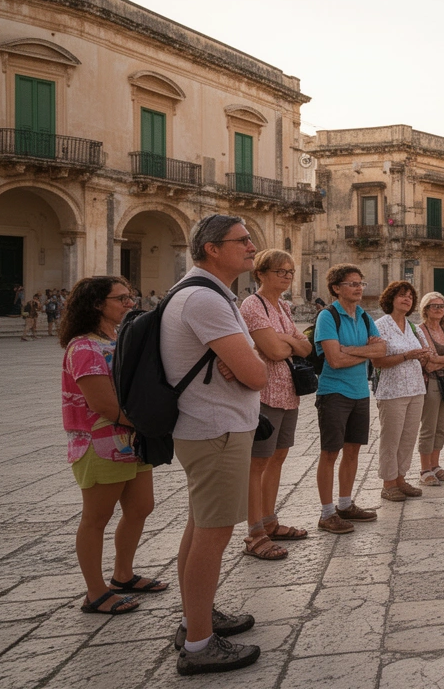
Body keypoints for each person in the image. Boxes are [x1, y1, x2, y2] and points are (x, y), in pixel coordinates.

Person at [161, 214, 267, 674]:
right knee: (214, 533)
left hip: (208, 426)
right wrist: (251, 360)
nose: (250, 246)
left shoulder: (203, 293)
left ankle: (195, 619)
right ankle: (200, 645)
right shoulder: (205, 299)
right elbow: (258, 372)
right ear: (211, 249)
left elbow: (246, 365)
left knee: (200, 525)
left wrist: (245, 360)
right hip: (216, 427)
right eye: (241, 241)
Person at [60, 276, 165, 617]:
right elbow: (103, 405)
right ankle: (95, 592)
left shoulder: (119, 339)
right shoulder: (84, 347)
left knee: (141, 507)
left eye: (129, 297)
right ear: (96, 304)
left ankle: (123, 574)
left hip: (130, 442)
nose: (129, 304)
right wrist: (147, 422)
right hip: (100, 442)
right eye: (120, 299)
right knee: (96, 517)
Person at [238, 250, 313, 560]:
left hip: (288, 393)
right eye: (280, 271)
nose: (286, 276)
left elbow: (306, 348)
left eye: (290, 272)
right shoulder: (252, 305)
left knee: (278, 457)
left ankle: (270, 521)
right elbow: (273, 350)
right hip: (265, 393)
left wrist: (286, 341)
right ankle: (254, 531)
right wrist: (287, 341)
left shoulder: (282, 306)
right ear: (261, 274)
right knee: (257, 463)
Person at [313, 264, 386, 534]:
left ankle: (345, 504)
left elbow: (381, 349)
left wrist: (353, 350)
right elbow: (334, 359)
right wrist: (366, 351)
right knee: (330, 453)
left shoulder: (364, 316)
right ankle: (326, 512)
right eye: (352, 283)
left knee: (353, 451)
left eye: (360, 283)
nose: (358, 288)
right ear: (336, 288)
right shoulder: (328, 316)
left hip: (359, 391)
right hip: (334, 392)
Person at [372, 280, 429, 501]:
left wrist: (422, 356)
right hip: (392, 390)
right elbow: (377, 361)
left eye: (410, 297)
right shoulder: (381, 325)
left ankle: (401, 478)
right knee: (391, 438)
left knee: (408, 437)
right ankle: (388, 483)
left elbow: (423, 353)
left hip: (416, 388)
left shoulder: (412, 326)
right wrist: (407, 356)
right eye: (402, 295)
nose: (407, 299)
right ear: (391, 299)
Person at [417, 291, 444, 484]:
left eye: (442, 306)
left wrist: (442, 359)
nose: (439, 310)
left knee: (441, 427)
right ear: (425, 309)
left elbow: (438, 359)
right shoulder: (421, 330)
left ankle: (435, 465)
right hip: (431, 382)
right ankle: (424, 469)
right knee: (428, 427)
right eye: (434, 306)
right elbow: (428, 363)